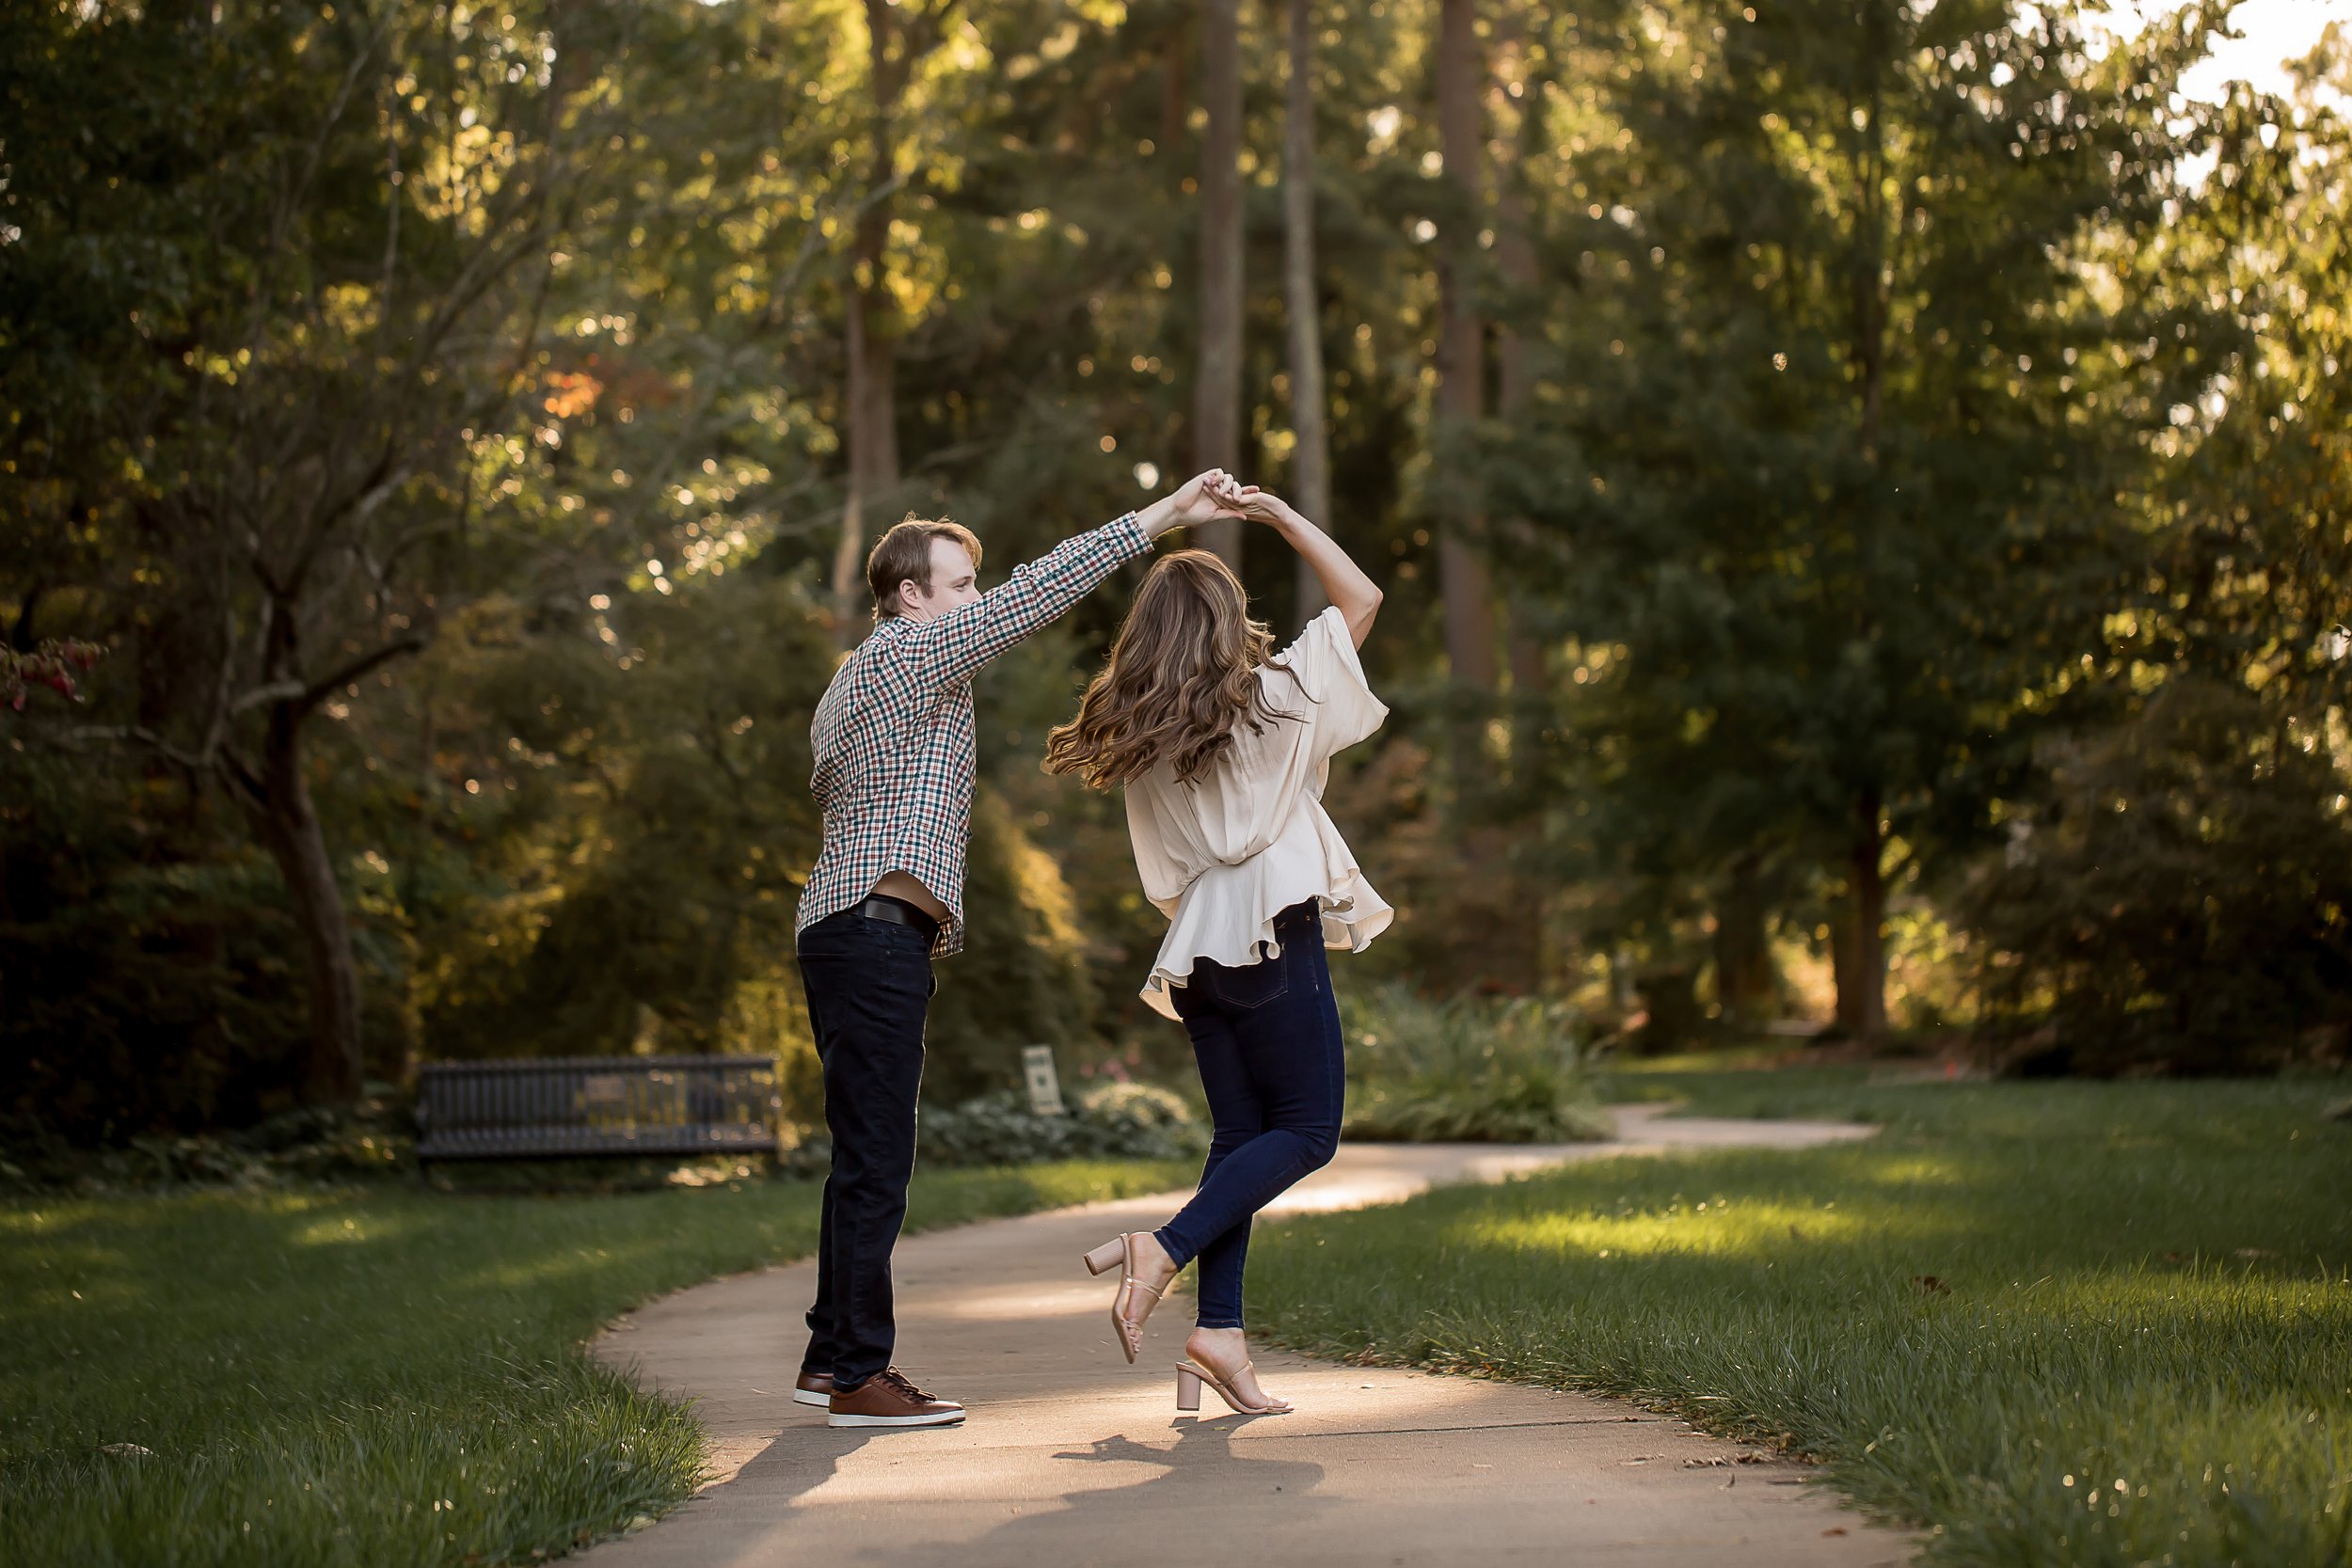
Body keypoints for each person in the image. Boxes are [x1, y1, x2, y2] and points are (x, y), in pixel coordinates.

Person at [793, 471, 1246, 1430]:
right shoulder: (913, 649)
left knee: (858, 1157)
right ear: (910, 593)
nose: (973, 600)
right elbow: (1042, 588)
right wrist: (1162, 516)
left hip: (839, 929)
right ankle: (857, 1375)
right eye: (958, 583)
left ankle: (832, 1349)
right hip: (875, 933)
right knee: (878, 1160)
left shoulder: (849, 677)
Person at [1043, 486, 1388, 1417]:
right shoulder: (1276, 696)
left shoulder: (1142, 727)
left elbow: (1161, 869)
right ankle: (1161, 1247)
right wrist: (1279, 519)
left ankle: (1218, 1334)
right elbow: (1361, 599)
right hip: (1273, 923)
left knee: (1242, 1135)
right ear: (1232, 620)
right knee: (1307, 1131)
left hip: (1198, 942)